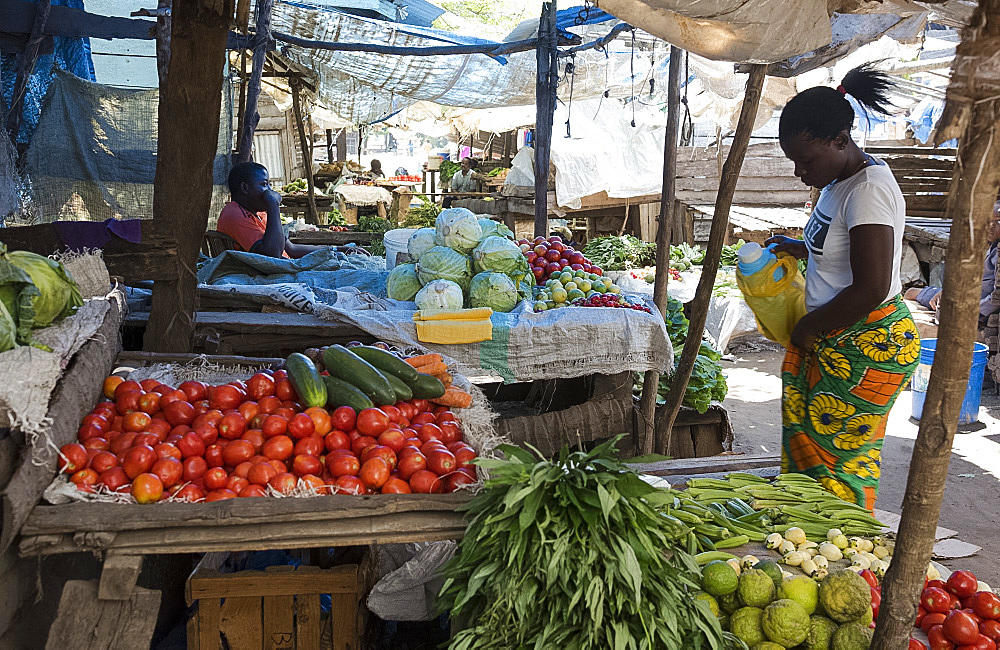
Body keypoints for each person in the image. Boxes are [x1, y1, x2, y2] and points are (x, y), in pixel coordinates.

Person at [765, 64, 919, 513]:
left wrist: (807, 328)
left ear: (840, 141)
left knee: (838, 465)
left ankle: (845, 564)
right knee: (819, 458)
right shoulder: (839, 182)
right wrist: (799, 247)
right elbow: (842, 250)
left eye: (806, 161)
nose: (799, 171)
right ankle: (817, 549)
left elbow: (870, 288)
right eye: (794, 161)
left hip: (868, 344)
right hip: (841, 337)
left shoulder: (868, 189)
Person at [218, 162, 357, 259]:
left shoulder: (259, 213)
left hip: (285, 267)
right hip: (268, 276)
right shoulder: (234, 214)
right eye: (264, 184)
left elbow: (292, 249)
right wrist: (273, 206)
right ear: (245, 188)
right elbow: (273, 256)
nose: (270, 190)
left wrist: (337, 249)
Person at [904, 205, 1000, 323]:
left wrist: (967, 311)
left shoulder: (997, 254)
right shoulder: (987, 247)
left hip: (972, 307)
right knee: (911, 292)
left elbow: (994, 299)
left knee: (912, 294)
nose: (991, 225)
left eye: (998, 221)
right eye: (988, 220)